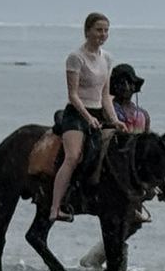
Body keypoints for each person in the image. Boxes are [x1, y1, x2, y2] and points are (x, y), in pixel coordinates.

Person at [48, 12, 125, 223]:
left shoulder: (107, 58)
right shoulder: (76, 58)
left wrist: (114, 119)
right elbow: (72, 94)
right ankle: (55, 207)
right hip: (77, 113)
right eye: (99, 30)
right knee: (73, 156)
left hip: (99, 111)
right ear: (87, 31)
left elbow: (105, 95)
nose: (103, 34)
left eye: (106, 30)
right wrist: (88, 117)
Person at [80, 63, 151, 270]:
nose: (125, 87)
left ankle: (110, 259)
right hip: (116, 169)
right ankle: (102, 259)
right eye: (120, 83)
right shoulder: (110, 110)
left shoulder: (142, 115)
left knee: (133, 221)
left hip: (135, 172)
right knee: (122, 219)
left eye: (129, 83)